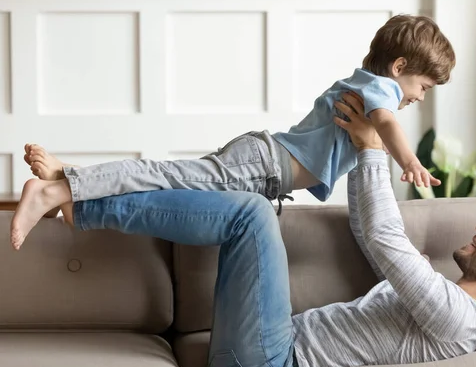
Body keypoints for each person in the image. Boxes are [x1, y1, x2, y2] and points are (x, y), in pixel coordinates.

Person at [9, 93, 476, 367]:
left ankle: (79, 197)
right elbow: (366, 226)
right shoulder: (442, 303)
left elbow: (383, 236)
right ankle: (80, 200)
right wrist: (358, 150)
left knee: (251, 213)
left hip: (272, 363)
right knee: (246, 202)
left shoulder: (458, 318)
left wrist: (375, 150)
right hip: (266, 345)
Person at [20, 14, 454, 234]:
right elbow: (387, 124)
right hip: (261, 165)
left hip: (262, 171)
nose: (418, 97)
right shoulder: (378, 91)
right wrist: (411, 162)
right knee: (164, 177)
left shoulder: (366, 89)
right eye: (422, 86)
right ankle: (60, 187)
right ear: (398, 67)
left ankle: (70, 191)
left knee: (169, 193)